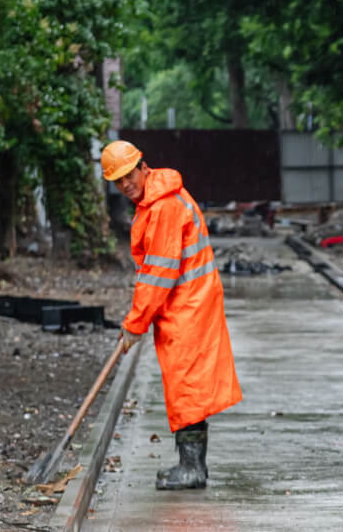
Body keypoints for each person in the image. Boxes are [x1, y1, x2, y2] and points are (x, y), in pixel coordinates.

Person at [101, 139, 242, 490]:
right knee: (186, 382)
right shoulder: (157, 199)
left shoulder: (163, 207)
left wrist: (135, 323)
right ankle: (192, 465)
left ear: (142, 167)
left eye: (127, 175)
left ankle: (192, 469)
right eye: (117, 181)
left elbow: (157, 274)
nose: (125, 185)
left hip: (188, 305)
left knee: (188, 384)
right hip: (189, 301)